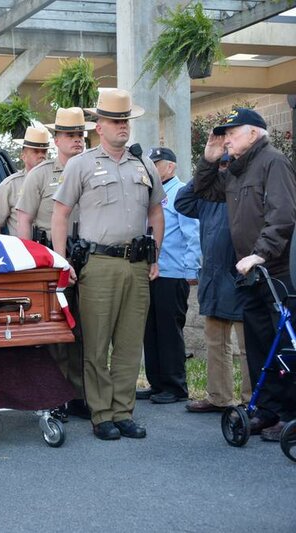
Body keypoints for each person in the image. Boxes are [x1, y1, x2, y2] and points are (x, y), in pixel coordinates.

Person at [51, 89, 165, 441]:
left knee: (130, 344)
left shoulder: (143, 164)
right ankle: (101, 414)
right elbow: (60, 213)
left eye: (125, 121)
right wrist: (62, 260)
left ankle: (123, 412)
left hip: (136, 265)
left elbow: (156, 212)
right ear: (99, 126)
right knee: (97, 345)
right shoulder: (81, 165)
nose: (122, 127)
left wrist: (155, 255)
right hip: (98, 264)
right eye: (115, 121)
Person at [193, 108, 296, 441]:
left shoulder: (273, 162)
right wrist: (209, 159)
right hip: (251, 273)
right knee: (259, 344)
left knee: (283, 345)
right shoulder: (237, 169)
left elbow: (283, 214)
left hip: (276, 270)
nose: (226, 139)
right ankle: (267, 410)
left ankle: (290, 415)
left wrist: (261, 253)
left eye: (232, 133)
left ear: (253, 133)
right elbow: (203, 191)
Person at [16, 107, 95, 418]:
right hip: (51, 261)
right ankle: (55, 396)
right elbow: (24, 219)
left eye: (81, 135)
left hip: (89, 257)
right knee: (55, 331)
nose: (77, 140)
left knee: (85, 331)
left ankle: (80, 395)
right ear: (57, 139)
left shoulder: (93, 168)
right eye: (70, 135)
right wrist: (29, 263)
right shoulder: (40, 174)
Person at [175, 166, 252, 413]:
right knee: (215, 341)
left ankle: (252, 402)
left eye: (226, 164)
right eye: (219, 165)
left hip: (241, 278)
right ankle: (219, 397)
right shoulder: (207, 195)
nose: (223, 169)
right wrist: (204, 169)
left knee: (248, 346)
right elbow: (182, 202)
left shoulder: (246, 190)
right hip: (213, 277)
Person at [139, 147, 201, 404]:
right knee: (150, 330)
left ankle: (175, 387)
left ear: (171, 166)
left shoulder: (180, 193)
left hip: (173, 273)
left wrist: (191, 270)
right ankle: (156, 384)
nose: (152, 168)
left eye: (157, 164)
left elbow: (193, 234)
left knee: (169, 331)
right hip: (151, 272)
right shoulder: (151, 193)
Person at [0, 126, 50, 235]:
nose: (41, 156)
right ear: (23, 156)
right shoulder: (10, 185)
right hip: (23, 244)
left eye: (44, 152)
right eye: (36, 152)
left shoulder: (56, 180)